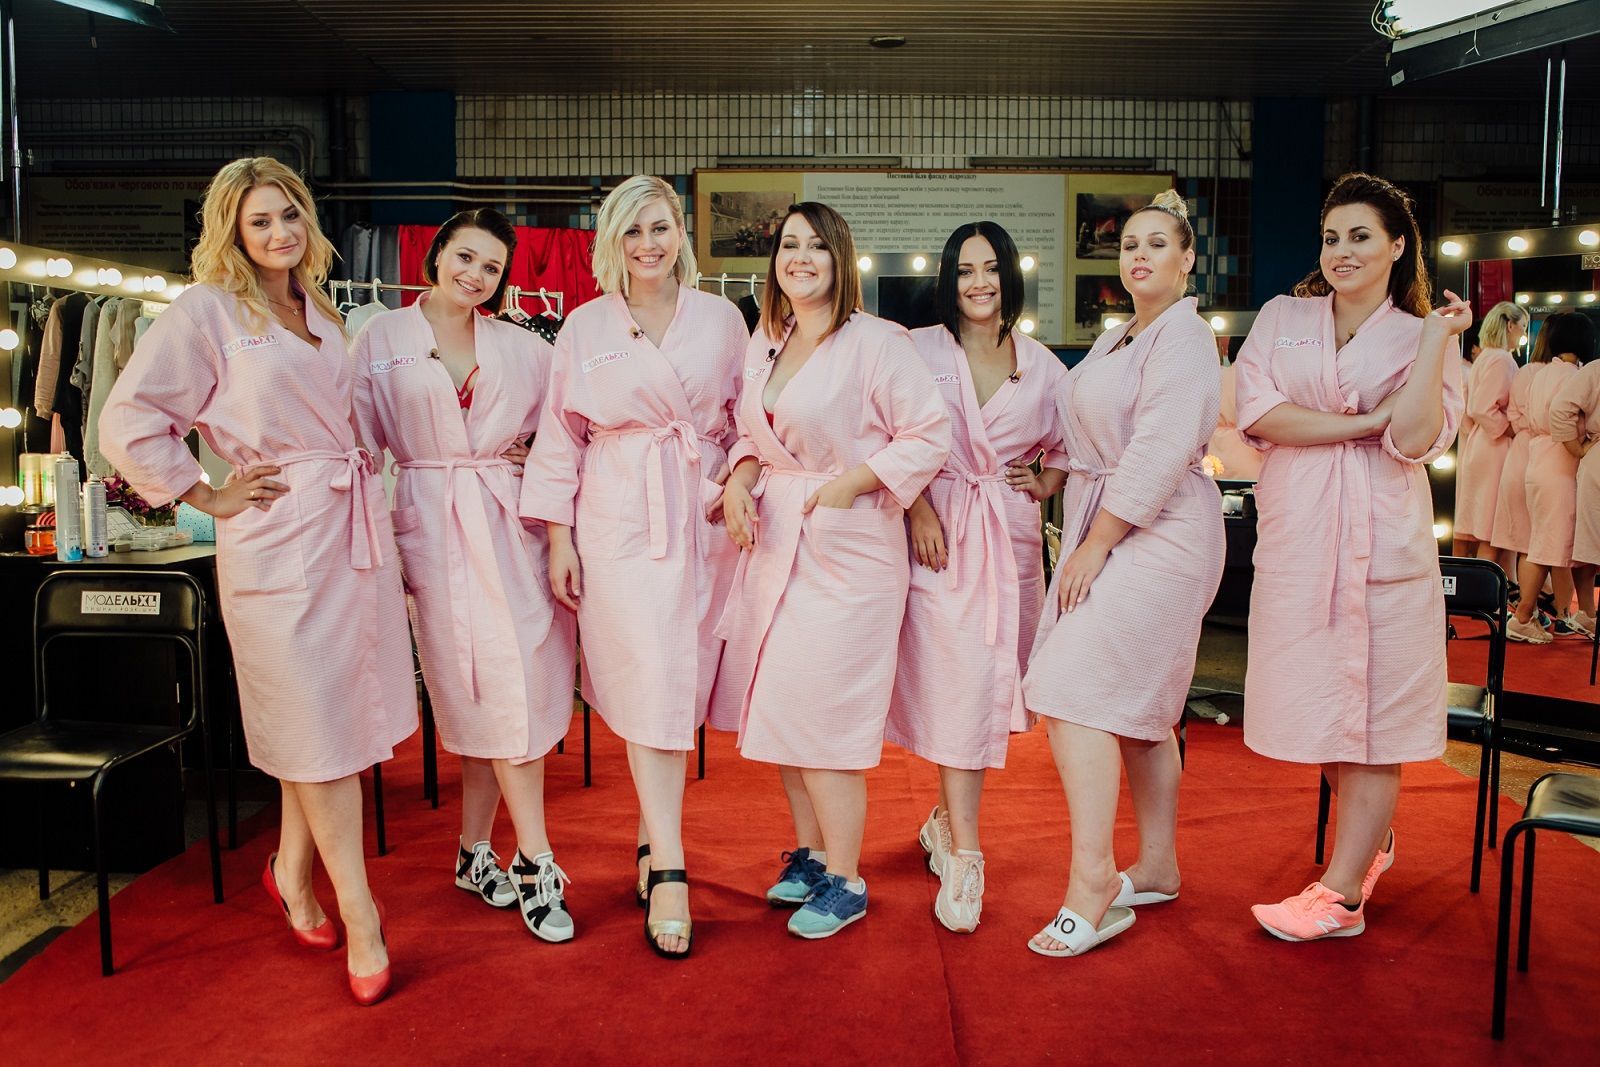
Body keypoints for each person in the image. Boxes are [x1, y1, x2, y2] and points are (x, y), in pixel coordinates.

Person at [99, 157, 414, 1003]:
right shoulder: (207, 310)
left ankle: (290, 872)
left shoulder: (321, 309)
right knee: (315, 723)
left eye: (289, 215)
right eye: (260, 221)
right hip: (276, 538)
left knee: (330, 721)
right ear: (232, 234)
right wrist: (205, 493)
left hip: (347, 533)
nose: (280, 233)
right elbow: (127, 419)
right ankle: (361, 913)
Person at [1234, 172, 1469, 942]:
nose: (1342, 250)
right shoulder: (1284, 316)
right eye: (1331, 236)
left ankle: (1341, 896)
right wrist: (1365, 420)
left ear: (1398, 246)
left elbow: (1414, 438)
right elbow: (1259, 413)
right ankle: (1372, 838)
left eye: (1361, 236)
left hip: (1384, 546)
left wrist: (1433, 344)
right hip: (1300, 541)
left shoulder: (1423, 335)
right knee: (1321, 708)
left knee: (1373, 716)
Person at [520, 175, 746, 959]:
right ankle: (671, 865)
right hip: (618, 517)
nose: (648, 244)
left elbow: (751, 421)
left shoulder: (723, 319)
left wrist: (740, 482)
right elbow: (560, 437)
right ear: (612, 243)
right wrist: (558, 538)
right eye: (632, 232)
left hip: (700, 512)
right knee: (648, 677)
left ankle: (652, 836)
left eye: (659, 227)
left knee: (679, 679)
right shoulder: (586, 325)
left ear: (681, 231)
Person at [713, 202, 950, 940]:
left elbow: (927, 433)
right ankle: (814, 856)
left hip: (849, 550)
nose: (801, 257)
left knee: (825, 717)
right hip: (777, 541)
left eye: (817, 245)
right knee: (783, 708)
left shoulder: (880, 342)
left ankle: (847, 879)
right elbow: (748, 433)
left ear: (840, 258)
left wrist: (853, 482)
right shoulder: (767, 339)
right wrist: (738, 480)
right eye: (790, 244)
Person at [352, 208, 578, 942]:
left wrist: (532, 456)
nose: (476, 275)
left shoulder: (523, 346)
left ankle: (529, 858)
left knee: (516, 685)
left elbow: (566, 431)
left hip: (510, 526)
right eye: (465, 257)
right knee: (480, 694)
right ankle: (485, 854)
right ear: (437, 254)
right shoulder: (381, 338)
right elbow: (358, 445)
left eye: (491, 267)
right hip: (430, 526)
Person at [1021, 192, 1225, 957]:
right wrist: (1055, 476)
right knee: (1140, 705)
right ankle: (1160, 864)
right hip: (1109, 518)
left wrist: (1097, 542)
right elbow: (1089, 434)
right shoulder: (1118, 338)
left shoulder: (1187, 337)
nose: (1139, 254)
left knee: (1071, 687)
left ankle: (1093, 882)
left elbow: (1161, 447)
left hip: (1160, 530)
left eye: (1157, 243)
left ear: (1187, 258)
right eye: (1130, 243)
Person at [884, 220, 1068, 933]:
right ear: (947, 279)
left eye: (990, 268)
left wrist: (1044, 481)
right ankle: (966, 853)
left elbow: (1071, 447)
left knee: (987, 685)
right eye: (965, 270)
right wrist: (917, 507)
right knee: (957, 690)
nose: (979, 282)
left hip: (1008, 538)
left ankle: (943, 820)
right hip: (939, 535)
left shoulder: (1042, 365)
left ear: (1010, 274)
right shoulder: (917, 348)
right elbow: (886, 434)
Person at [1509, 312, 1599, 643]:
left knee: (1543, 543)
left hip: (1537, 460)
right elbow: (1563, 415)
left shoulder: (1541, 372)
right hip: (1559, 464)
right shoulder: (1574, 375)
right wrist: (1580, 447)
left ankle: (1561, 614)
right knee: (1547, 546)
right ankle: (1522, 617)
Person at [1454, 302, 1529, 571]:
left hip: (1481, 444)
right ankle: (1481, 587)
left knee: (1480, 523)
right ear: (1510, 325)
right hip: (1494, 447)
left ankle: (1481, 585)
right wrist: (1510, 429)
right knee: (1492, 526)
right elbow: (1482, 407)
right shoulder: (1501, 359)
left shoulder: (1486, 357)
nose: (1524, 333)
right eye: (1523, 326)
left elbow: (1471, 408)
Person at [1490, 326, 1554, 606]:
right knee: (1542, 535)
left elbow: (1513, 414)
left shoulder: (1524, 371)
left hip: (1519, 448)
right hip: (1545, 451)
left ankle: (1531, 601)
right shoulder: (1559, 374)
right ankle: (1537, 604)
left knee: (1523, 534)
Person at [1551, 315, 1600, 599]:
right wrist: (1577, 448)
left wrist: (1576, 448)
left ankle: (1586, 611)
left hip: (1594, 459)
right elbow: (1560, 410)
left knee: (1592, 542)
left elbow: (1561, 409)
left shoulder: (1594, 370)